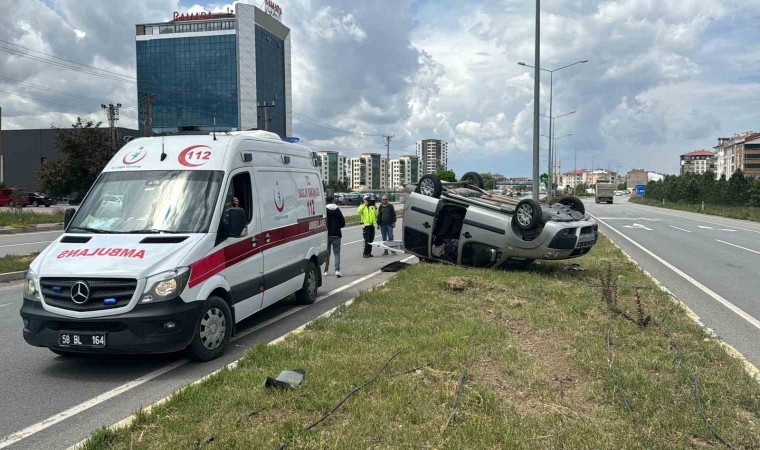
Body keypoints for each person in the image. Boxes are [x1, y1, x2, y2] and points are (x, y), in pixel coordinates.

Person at [324, 195, 345, 277]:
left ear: (326, 201)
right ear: (333, 201)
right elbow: (343, 223)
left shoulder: (324, 210)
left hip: (327, 235)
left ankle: (326, 271)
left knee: (327, 253)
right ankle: (337, 270)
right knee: (337, 253)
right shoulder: (337, 210)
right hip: (336, 234)